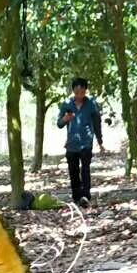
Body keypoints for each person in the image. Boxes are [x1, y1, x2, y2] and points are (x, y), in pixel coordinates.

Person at [56, 76, 104, 205]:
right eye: (77, 92)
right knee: (73, 171)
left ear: (86, 91)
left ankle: (85, 196)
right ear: (73, 91)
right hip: (71, 144)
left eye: (82, 92)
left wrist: (100, 141)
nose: (79, 95)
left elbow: (97, 123)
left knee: (85, 169)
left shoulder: (91, 105)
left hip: (86, 142)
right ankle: (76, 196)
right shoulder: (67, 104)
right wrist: (65, 119)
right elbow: (59, 124)